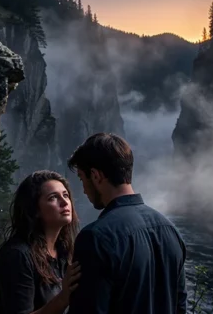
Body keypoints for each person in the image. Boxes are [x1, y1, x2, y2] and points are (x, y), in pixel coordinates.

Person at [66, 133, 188, 314]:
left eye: (82, 179)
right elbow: (180, 306)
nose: (83, 189)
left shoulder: (95, 238)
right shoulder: (171, 231)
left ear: (96, 175)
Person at [0, 170, 82, 314]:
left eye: (65, 195)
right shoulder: (17, 255)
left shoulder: (64, 252)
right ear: (35, 209)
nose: (65, 202)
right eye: (53, 197)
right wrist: (63, 298)